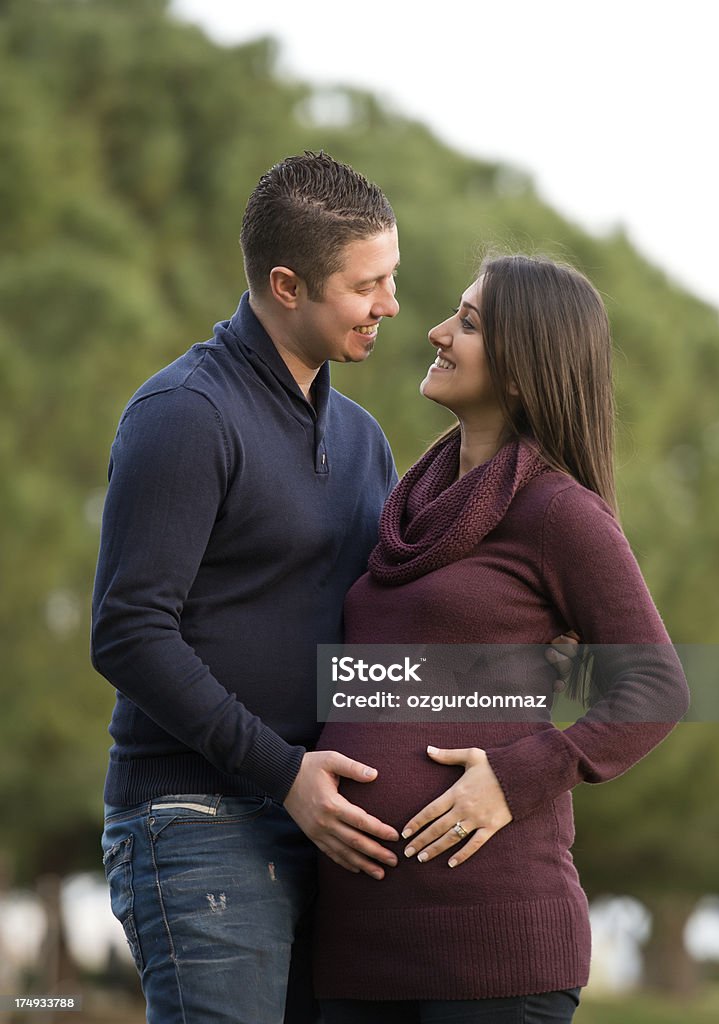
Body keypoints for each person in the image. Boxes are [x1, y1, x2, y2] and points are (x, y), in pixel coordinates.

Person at [313, 254, 690, 1023]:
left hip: (493, 946)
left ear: (524, 370)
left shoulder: (558, 512)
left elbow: (655, 687)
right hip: (359, 947)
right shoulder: (409, 507)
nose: (436, 331)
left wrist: (516, 777)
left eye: (469, 322)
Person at [92, 151, 404, 1024]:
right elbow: (128, 632)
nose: (389, 306)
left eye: (392, 278)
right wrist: (283, 773)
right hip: (197, 825)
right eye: (365, 285)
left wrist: (535, 671)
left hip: (328, 828)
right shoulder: (185, 413)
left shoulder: (364, 437)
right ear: (287, 284)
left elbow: (369, 629)